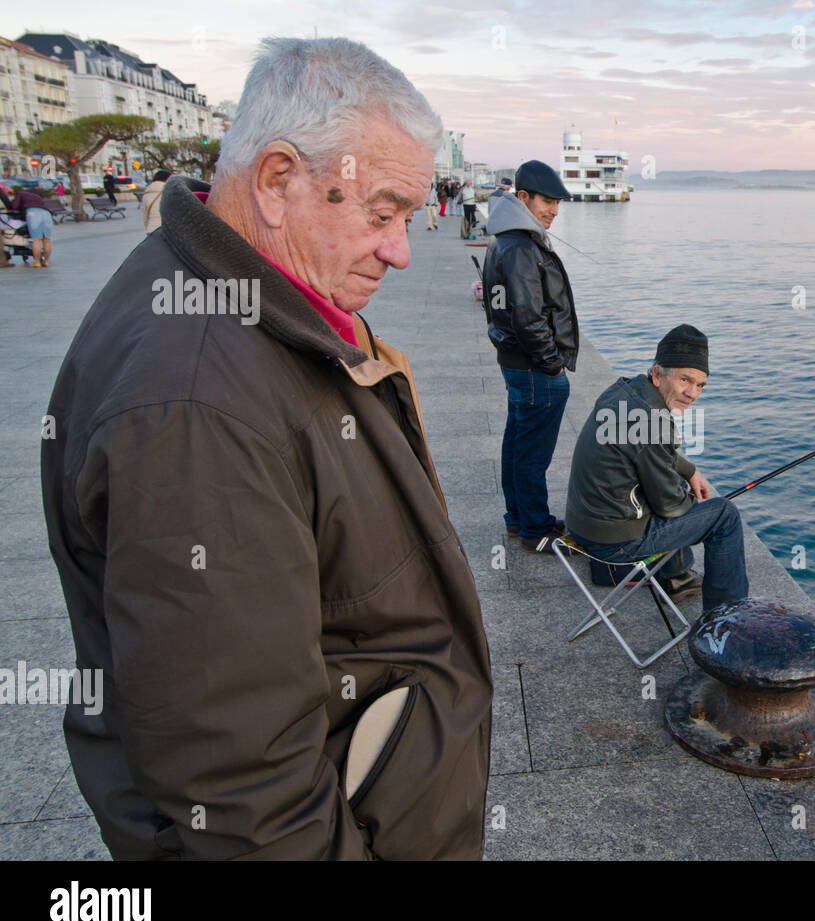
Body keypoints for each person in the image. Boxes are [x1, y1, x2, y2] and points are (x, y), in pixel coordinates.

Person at [41, 36, 492, 860]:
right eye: (382, 212)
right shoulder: (198, 405)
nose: (400, 247)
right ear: (278, 181)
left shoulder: (240, 309)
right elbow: (243, 788)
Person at [566, 325, 750, 611]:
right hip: (612, 543)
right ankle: (728, 618)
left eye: (700, 385)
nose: (692, 394)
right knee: (723, 515)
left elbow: (648, 450)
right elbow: (670, 507)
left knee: (674, 484)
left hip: (582, 524)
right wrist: (694, 507)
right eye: (685, 380)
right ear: (657, 374)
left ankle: (676, 577)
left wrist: (689, 470)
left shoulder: (624, 391)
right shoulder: (654, 423)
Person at [482, 159, 576, 552]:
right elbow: (528, 315)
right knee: (531, 454)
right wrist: (552, 363)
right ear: (523, 197)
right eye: (548, 202)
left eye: (558, 203)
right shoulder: (521, 243)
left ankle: (519, 519)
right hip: (535, 366)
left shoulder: (507, 236)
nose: (554, 210)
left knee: (516, 445)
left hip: (517, 362)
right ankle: (536, 529)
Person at [0, 185, 53, 267]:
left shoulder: (19, 194)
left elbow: (14, 206)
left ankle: (37, 262)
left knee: (36, 240)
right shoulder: (35, 196)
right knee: (46, 240)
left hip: (33, 214)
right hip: (46, 213)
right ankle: (46, 261)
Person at [140, 168, 171, 234]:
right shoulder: (170, 192)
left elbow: (145, 216)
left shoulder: (147, 194)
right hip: (168, 231)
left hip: (152, 230)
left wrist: (149, 227)